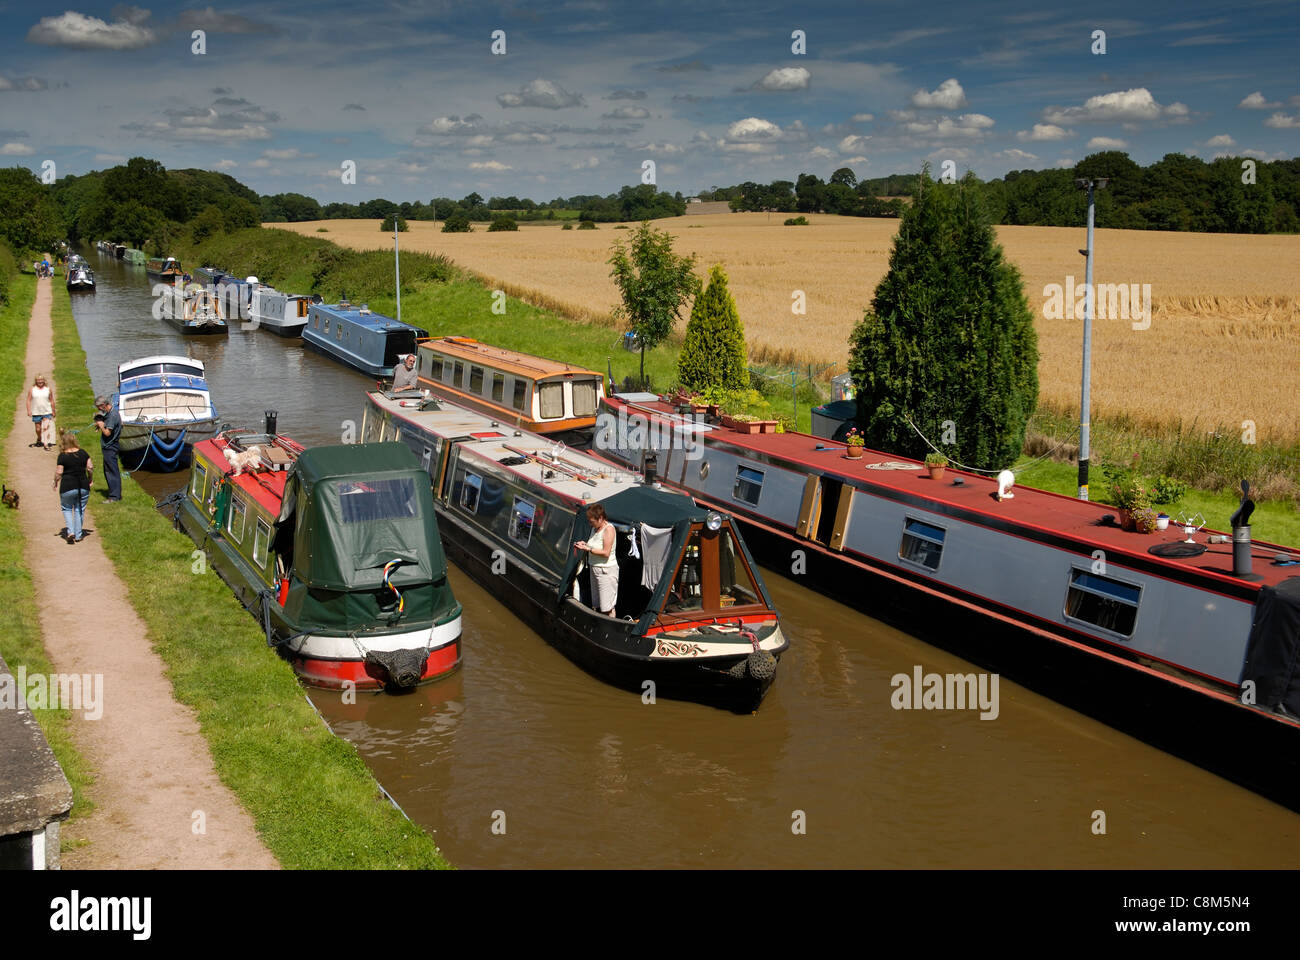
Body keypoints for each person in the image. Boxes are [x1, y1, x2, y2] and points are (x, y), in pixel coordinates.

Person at [575, 503, 618, 617]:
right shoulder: (595, 528)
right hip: (595, 568)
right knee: (597, 604)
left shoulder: (608, 530)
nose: (590, 523)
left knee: (607, 607)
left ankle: (610, 628)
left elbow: (606, 552)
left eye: (592, 521)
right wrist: (585, 544)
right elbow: (594, 545)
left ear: (601, 518)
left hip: (606, 571)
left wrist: (587, 548)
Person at [54, 430, 93, 543]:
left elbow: (59, 472)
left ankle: (70, 531)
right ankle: (78, 535)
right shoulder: (83, 453)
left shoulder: (62, 456)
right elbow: (90, 467)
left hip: (67, 487)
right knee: (79, 509)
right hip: (83, 486)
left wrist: (55, 481)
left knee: (66, 509)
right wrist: (90, 478)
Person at [93, 395, 122, 502]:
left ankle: (114, 497)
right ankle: (114, 494)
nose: (99, 410)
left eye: (99, 407)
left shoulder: (112, 415)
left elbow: (107, 432)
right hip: (109, 446)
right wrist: (101, 424)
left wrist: (101, 425)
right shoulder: (111, 413)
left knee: (112, 471)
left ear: (104, 405)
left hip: (110, 447)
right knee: (108, 470)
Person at [26, 373, 56, 449]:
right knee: (38, 429)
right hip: (36, 412)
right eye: (38, 380)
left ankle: (46, 444)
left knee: (45, 428)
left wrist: (53, 410)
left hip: (47, 411)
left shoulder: (48, 389)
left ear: (44, 380)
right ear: (36, 381)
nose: (40, 381)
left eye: (41, 380)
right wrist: (29, 410)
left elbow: (51, 400)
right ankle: (39, 438)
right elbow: (28, 400)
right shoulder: (32, 389)